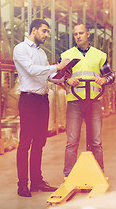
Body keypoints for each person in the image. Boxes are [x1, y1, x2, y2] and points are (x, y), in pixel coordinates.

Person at [13, 19, 70, 197]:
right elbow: (31, 70)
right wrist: (55, 66)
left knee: (39, 143)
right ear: (34, 30)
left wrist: (63, 77)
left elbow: (49, 75)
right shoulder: (20, 49)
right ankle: (22, 184)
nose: (46, 35)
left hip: (42, 101)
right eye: (44, 31)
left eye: (47, 32)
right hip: (28, 101)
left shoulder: (42, 53)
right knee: (25, 143)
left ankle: (37, 181)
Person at [60, 24, 115, 177]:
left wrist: (104, 80)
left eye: (81, 33)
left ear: (88, 34)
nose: (78, 36)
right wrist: (68, 81)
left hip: (94, 102)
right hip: (74, 103)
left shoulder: (99, 55)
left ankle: (99, 173)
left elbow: (111, 75)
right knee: (72, 141)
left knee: (96, 141)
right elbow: (59, 77)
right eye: (75, 34)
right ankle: (68, 175)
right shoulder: (67, 55)